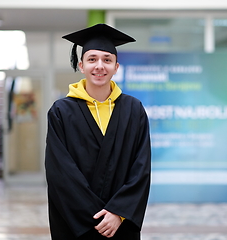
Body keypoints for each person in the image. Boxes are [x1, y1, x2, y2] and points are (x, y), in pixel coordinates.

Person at [45, 24, 151, 240]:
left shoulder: (133, 109)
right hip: (75, 224)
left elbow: (141, 167)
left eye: (107, 59)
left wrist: (118, 212)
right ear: (81, 65)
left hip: (120, 224)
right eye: (92, 59)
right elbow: (60, 172)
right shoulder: (61, 112)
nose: (99, 66)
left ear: (116, 66)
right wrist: (97, 217)